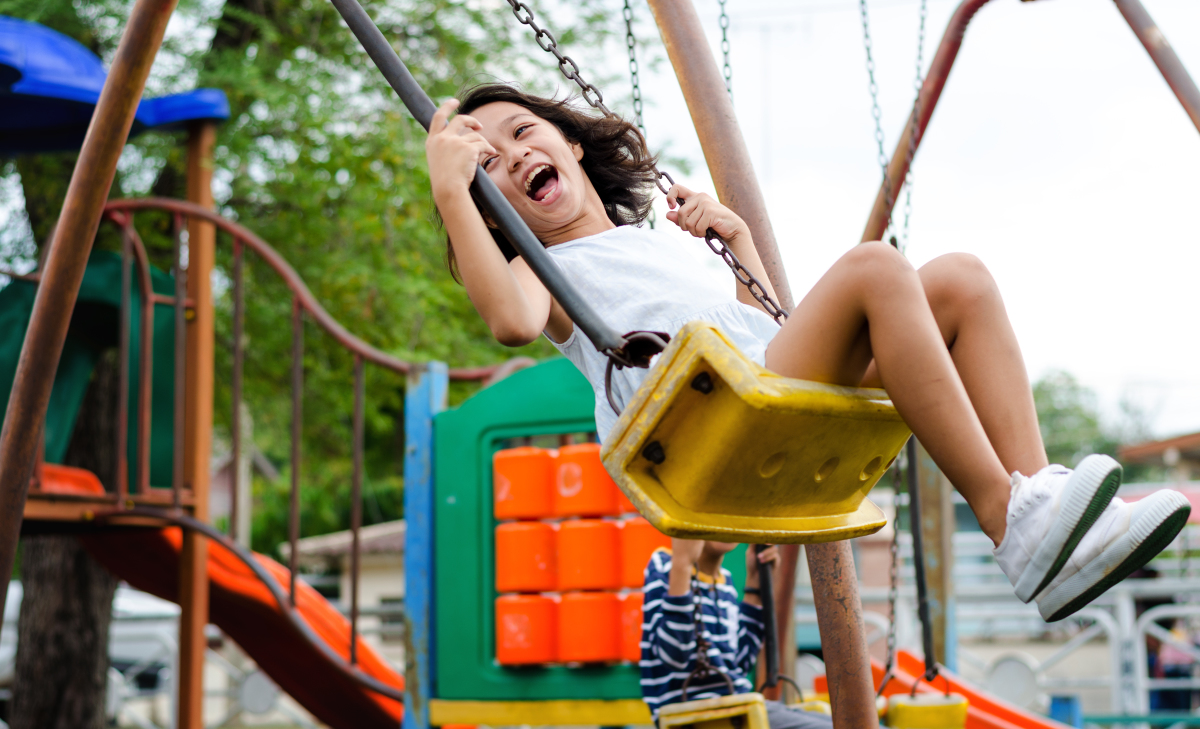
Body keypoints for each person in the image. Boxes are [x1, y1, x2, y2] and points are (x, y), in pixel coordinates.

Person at [424, 81, 1191, 623]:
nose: (513, 155)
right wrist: (452, 189)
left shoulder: (661, 242)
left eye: (523, 132)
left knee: (962, 280)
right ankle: (1008, 519)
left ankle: (1040, 501)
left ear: (569, 143)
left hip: (753, 386)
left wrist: (740, 243)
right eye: (488, 163)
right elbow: (509, 324)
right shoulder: (542, 273)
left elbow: (761, 326)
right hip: (705, 426)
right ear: (492, 210)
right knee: (874, 267)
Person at [639, 539, 900, 729]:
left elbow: (738, 665)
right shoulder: (665, 567)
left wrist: (754, 582)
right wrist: (683, 566)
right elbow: (673, 654)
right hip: (698, 718)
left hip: (735, 710)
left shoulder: (726, 583)